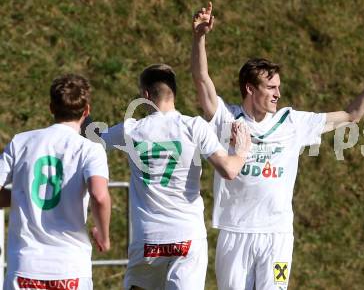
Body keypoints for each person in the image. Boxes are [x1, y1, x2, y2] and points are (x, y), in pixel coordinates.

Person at [191, 2, 364, 290]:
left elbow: (353, 114)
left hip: (277, 236)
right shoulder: (228, 118)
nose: (278, 93)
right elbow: (202, 81)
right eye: (271, 87)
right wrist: (199, 37)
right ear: (250, 89)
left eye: (278, 86)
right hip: (235, 232)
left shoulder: (293, 122)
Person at [100, 64, 251, 290]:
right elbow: (229, 170)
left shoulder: (131, 130)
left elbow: (90, 143)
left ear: (145, 95)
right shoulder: (194, 127)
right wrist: (241, 151)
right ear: (174, 92)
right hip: (187, 237)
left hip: (148, 239)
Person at [0, 74, 111, 290]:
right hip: (70, 268)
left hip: (25, 267)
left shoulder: (21, 142)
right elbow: (99, 195)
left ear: (51, 108)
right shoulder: (90, 149)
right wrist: (104, 236)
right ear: (86, 110)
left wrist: (24, 196)